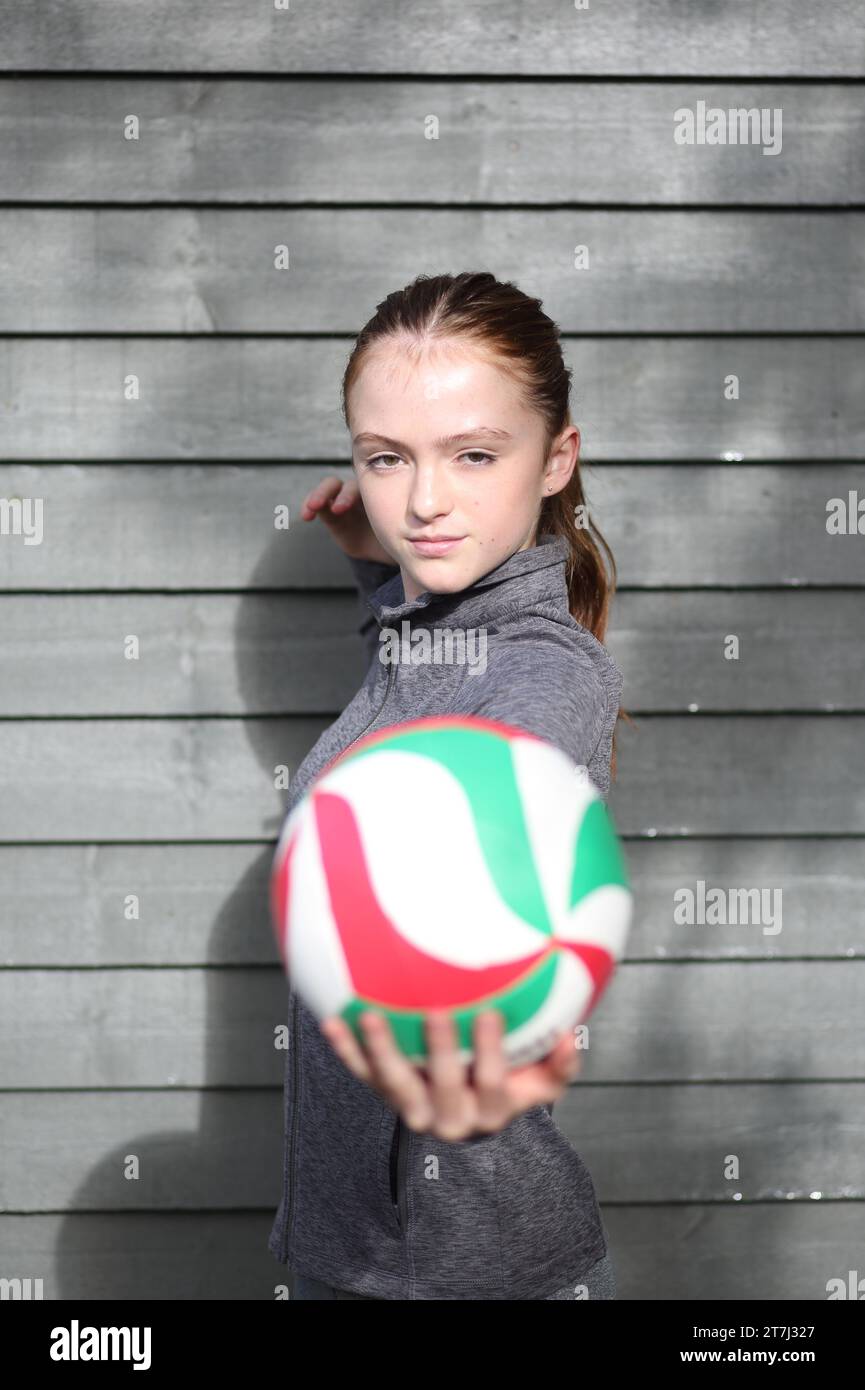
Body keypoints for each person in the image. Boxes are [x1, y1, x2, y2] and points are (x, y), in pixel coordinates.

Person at [268, 270, 625, 1300]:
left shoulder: (543, 672)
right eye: (388, 458)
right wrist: (382, 573)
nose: (424, 501)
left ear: (557, 458)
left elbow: (473, 788)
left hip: (462, 1260)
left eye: (474, 455)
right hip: (365, 1246)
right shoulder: (439, 636)